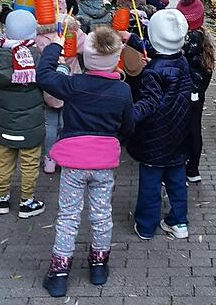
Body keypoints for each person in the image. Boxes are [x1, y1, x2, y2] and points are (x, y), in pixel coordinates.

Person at [38, 27, 135, 297]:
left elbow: (44, 76)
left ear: (85, 56)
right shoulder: (123, 91)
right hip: (104, 163)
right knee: (101, 214)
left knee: (68, 216)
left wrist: (55, 46)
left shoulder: (74, 84)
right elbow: (128, 126)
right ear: (116, 58)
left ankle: (58, 274)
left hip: (74, 164)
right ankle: (99, 267)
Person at [0, 10, 46, 219]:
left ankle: (2, 198)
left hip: (3, 123)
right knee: (30, 162)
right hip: (31, 124)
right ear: (32, 33)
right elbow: (47, 80)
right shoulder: (36, 56)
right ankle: (27, 201)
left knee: (4, 160)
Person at [128, 9, 193, 240]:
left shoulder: (152, 72)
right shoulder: (182, 62)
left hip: (154, 138)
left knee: (151, 183)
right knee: (177, 180)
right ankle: (179, 221)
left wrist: (128, 116)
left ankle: (146, 226)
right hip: (179, 134)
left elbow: (150, 102)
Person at [36, 11, 86, 174]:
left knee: (50, 123)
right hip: (71, 84)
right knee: (67, 123)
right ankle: (65, 157)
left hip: (50, 85)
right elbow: (86, 46)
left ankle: (49, 159)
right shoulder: (74, 33)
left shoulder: (42, 37)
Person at [177, 0, 215, 183]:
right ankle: (193, 169)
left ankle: (182, 167)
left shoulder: (186, 40)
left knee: (183, 128)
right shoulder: (204, 38)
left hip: (183, 91)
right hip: (197, 91)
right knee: (194, 128)